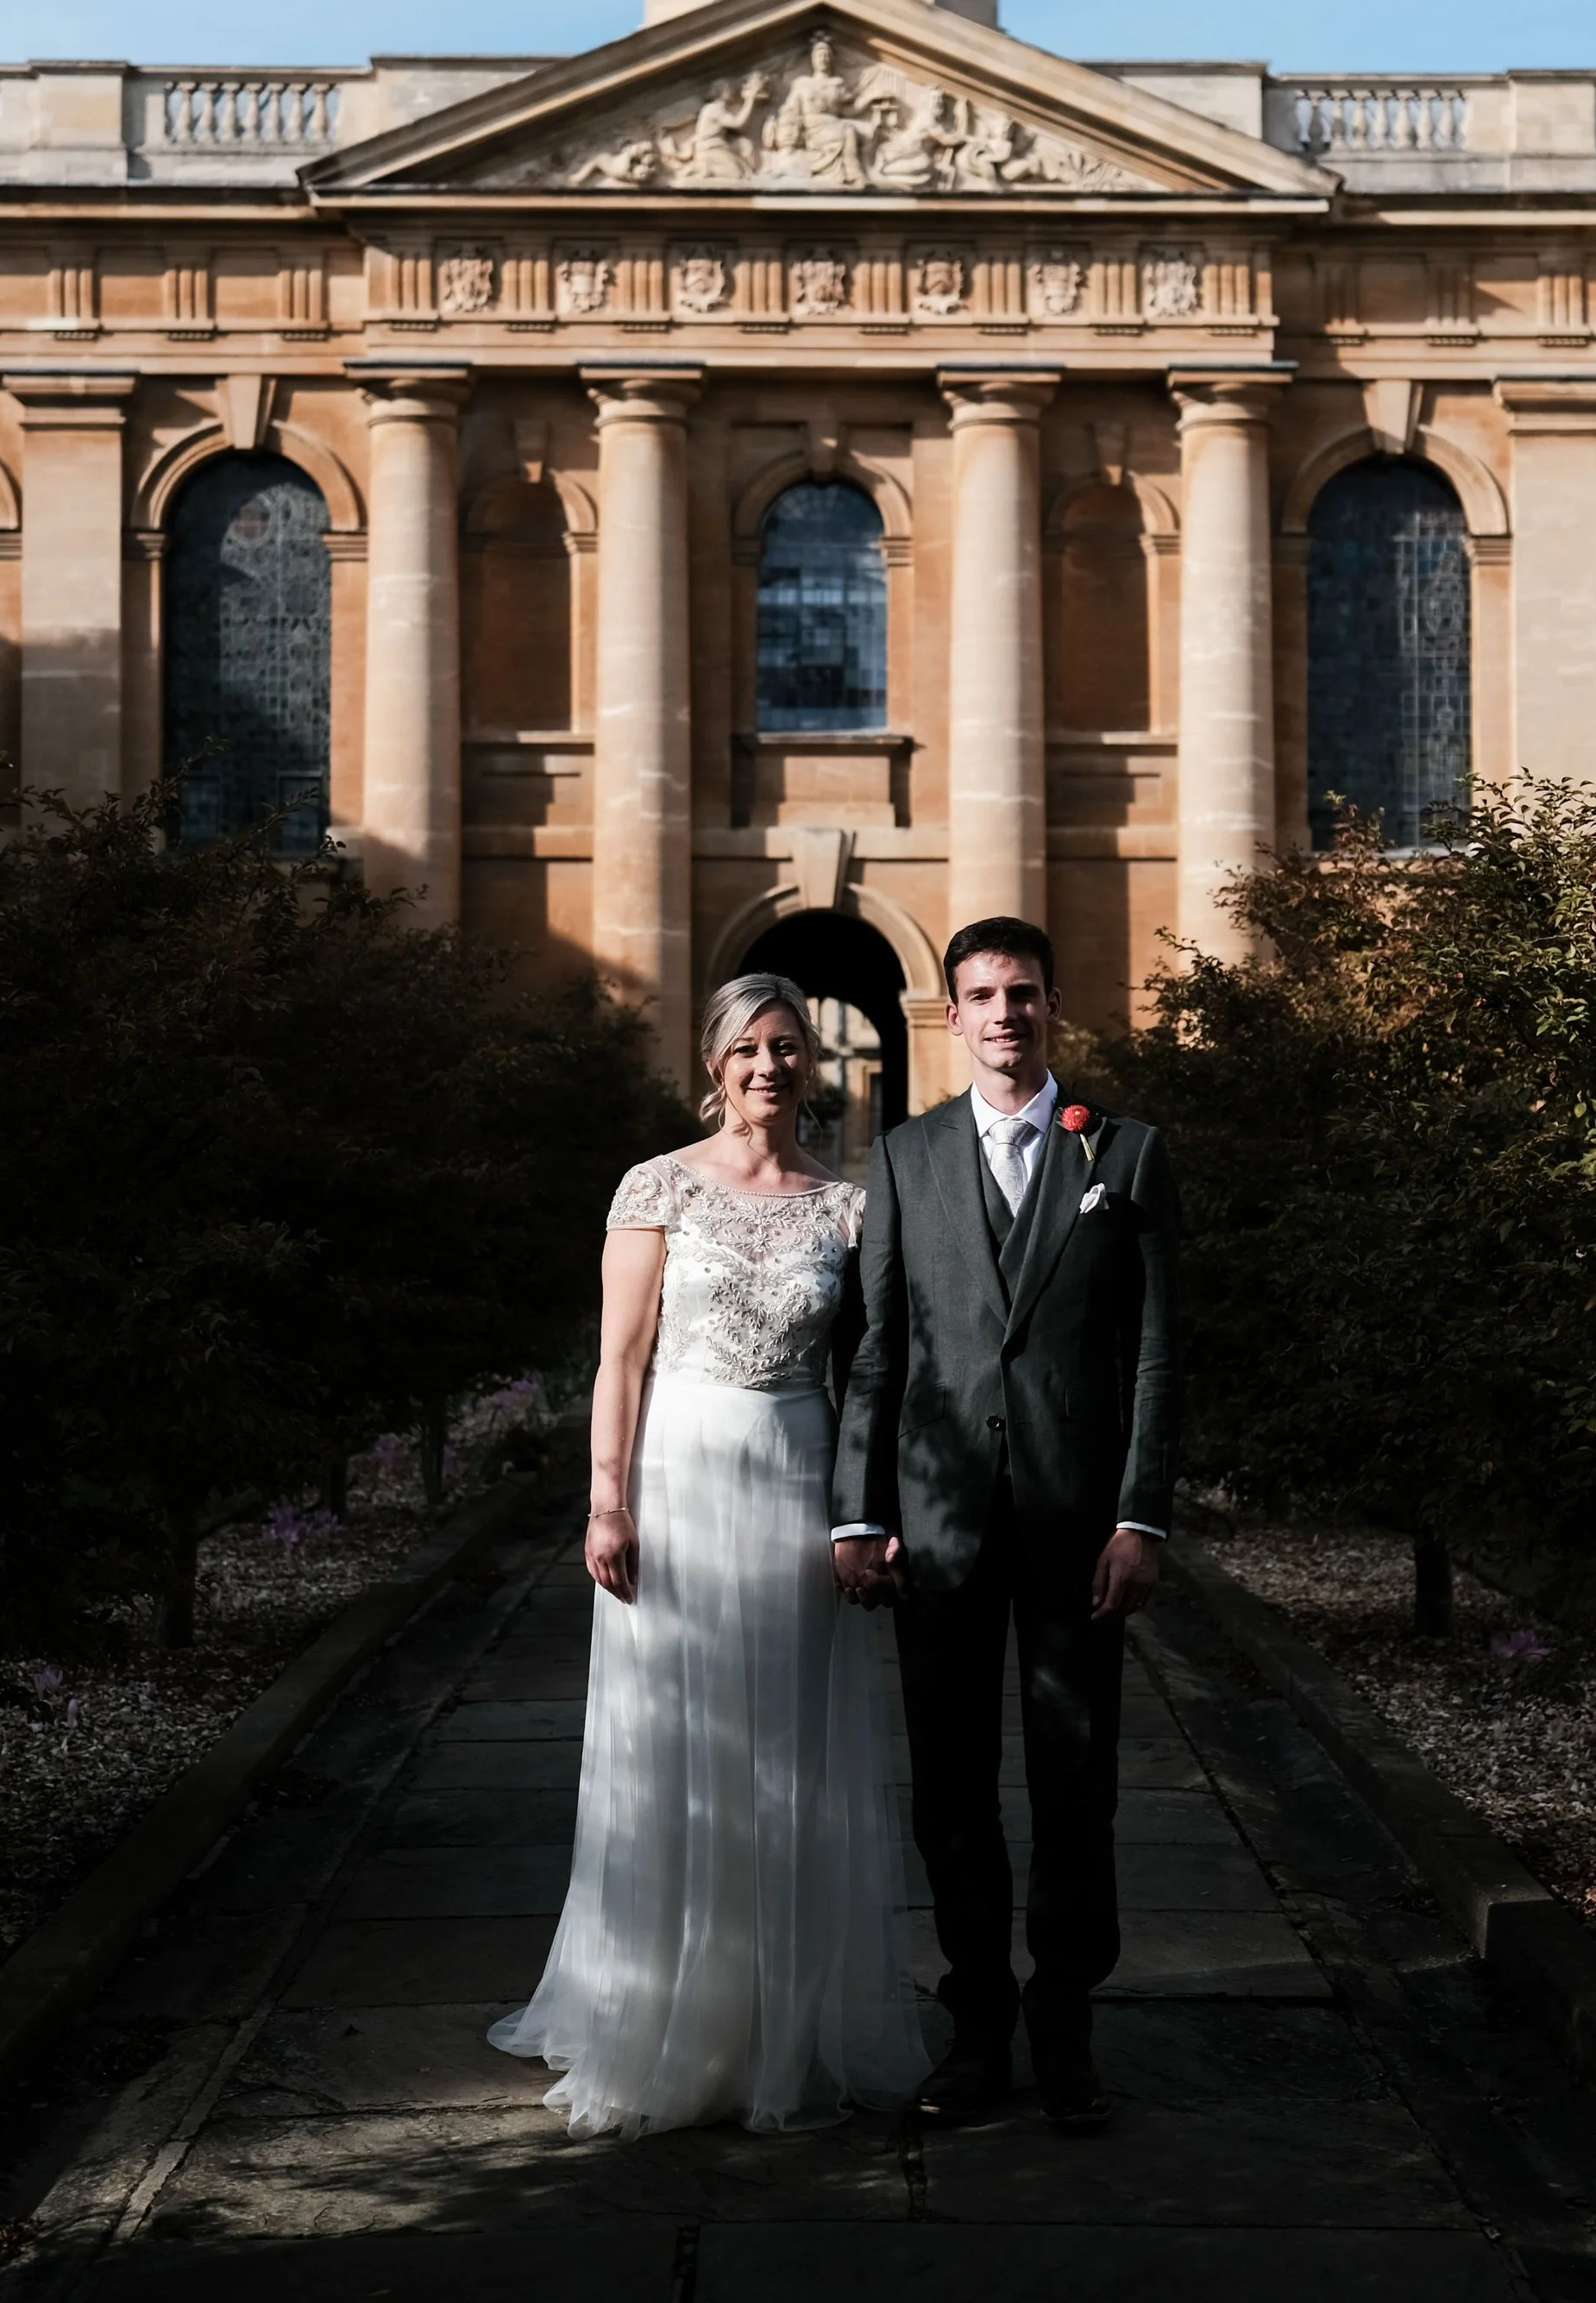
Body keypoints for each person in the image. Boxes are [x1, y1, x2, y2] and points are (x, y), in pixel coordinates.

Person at [489, 972, 927, 2139]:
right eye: (748, 1046)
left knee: (788, 1751)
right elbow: (621, 1360)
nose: (770, 1065)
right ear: (714, 1058)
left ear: (810, 1063)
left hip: (793, 1474)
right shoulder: (656, 1187)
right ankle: (655, 2012)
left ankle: (775, 2022)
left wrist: (862, 1513)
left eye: (788, 1046)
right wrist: (605, 1502)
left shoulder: (848, 1204)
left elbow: (868, 1379)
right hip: (677, 1476)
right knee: (672, 1740)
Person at [831, 916, 1179, 2131]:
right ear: (952, 1010)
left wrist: (1143, 1514)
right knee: (951, 1788)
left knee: (1076, 1784)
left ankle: (1068, 2029)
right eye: (978, 994)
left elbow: (1153, 1353)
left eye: (1022, 992)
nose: (1002, 1014)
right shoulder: (907, 1155)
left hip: (1084, 1532)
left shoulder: (1123, 1154)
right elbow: (879, 1348)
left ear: (1054, 1003)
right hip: (937, 1528)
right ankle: (975, 2024)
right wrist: (858, 1511)